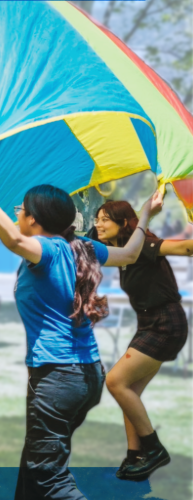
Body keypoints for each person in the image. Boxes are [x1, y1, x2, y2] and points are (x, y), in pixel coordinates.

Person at [0, 155, 158, 500]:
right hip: (84, 376)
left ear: (35, 220)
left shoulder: (51, 250)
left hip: (57, 379)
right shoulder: (83, 247)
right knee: (35, 463)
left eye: (22, 209)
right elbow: (127, 253)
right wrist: (144, 214)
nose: (18, 214)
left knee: (48, 472)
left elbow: (15, 242)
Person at [92, 197, 191, 481]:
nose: (98, 224)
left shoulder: (145, 245)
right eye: (97, 219)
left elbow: (185, 247)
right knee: (129, 390)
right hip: (150, 322)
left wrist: (148, 213)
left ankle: (154, 448)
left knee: (115, 381)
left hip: (165, 323)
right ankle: (136, 457)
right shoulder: (120, 249)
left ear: (124, 223)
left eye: (104, 219)